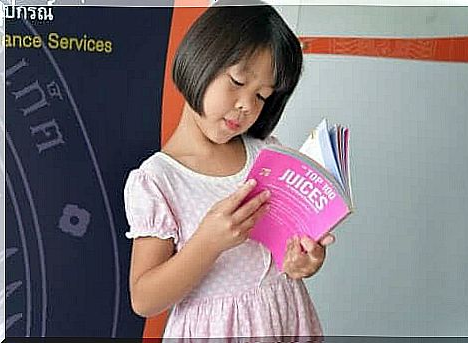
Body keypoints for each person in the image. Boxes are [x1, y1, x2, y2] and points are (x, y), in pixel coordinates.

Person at [123, 0, 336, 339]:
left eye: (262, 96)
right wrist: (208, 242)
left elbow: (285, 252)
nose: (247, 105)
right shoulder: (158, 180)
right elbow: (145, 299)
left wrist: (302, 262)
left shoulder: (268, 156)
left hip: (283, 320)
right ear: (200, 60)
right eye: (238, 81)